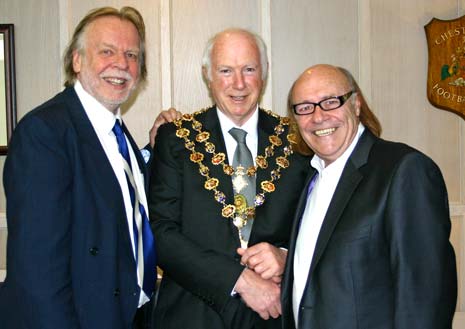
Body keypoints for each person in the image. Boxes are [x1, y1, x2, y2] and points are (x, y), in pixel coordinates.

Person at [0, 6, 171, 329]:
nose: (121, 64)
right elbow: (38, 273)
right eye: (107, 51)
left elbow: (112, 198)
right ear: (76, 61)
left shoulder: (118, 136)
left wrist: (149, 152)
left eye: (132, 55)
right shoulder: (45, 132)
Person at [148, 28, 309, 329]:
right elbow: (161, 233)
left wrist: (286, 257)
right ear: (208, 75)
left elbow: (317, 226)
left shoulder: (296, 140)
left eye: (249, 69)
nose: (238, 83)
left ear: (264, 73)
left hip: (272, 316)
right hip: (191, 316)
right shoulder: (176, 138)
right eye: (226, 70)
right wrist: (239, 281)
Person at [280, 64, 457, 329]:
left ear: (356, 104)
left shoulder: (404, 170)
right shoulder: (309, 178)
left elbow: (425, 295)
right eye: (304, 107)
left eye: (330, 102)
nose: (318, 117)